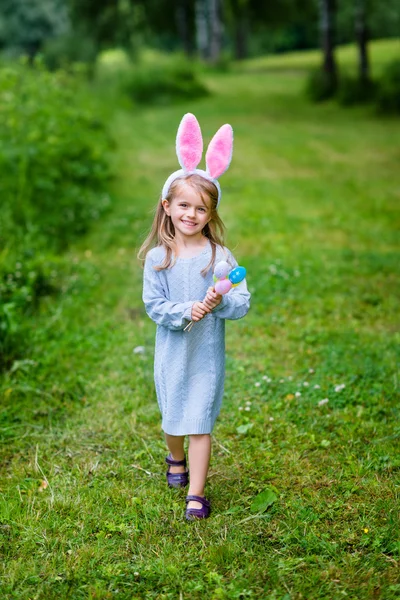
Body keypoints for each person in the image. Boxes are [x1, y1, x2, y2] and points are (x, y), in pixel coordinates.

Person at [138, 113, 251, 521]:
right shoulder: (158, 258)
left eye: (200, 209)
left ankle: (197, 495)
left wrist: (222, 303)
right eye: (183, 205)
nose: (191, 214)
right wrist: (188, 308)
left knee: (200, 419)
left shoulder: (220, 258)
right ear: (167, 207)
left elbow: (242, 300)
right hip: (172, 352)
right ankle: (175, 458)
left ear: (210, 214)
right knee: (174, 417)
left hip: (205, 355)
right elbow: (154, 307)